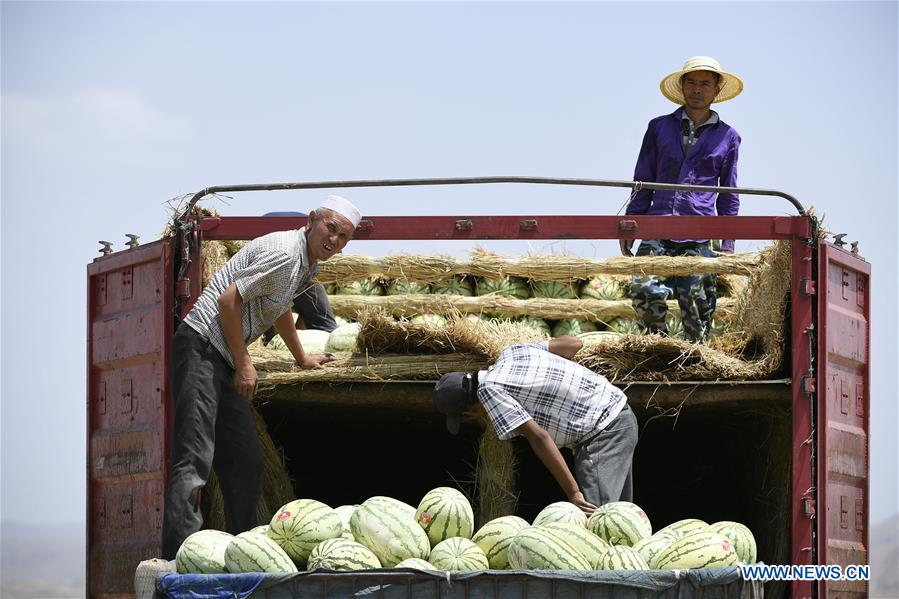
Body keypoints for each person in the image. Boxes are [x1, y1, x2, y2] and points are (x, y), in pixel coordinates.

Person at [161, 195, 362, 558]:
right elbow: (228, 301)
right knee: (193, 461)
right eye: (330, 228)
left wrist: (302, 357)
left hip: (222, 357)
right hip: (201, 348)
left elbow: (277, 305)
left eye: (343, 236)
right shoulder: (285, 253)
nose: (333, 239)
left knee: (246, 461)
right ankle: (177, 563)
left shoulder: (305, 264)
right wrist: (245, 362)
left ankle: (242, 552)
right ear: (312, 220)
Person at [433, 336, 636, 515]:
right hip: (620, 414)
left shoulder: (488, 391)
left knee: (599, 519)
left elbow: (539, 437)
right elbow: (574, 344)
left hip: (602, 434)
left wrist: (573, 492)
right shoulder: (512, 352)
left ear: (469, 412)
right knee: (620, 517)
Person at [620, 56, 744, 342]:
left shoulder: (728, 137)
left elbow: (729, 193)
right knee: (644, 290)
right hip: (658, 225)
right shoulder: (659, 128)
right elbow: (642, 180)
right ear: (682, 86)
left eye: (705, 84)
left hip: (701, 232)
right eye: (691, 83)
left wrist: (728, 243)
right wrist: (631, 224)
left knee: (698, 309)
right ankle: (658, 346)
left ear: (716, 90)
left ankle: (695, 357)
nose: (697, 89)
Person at [259, 211, 337, 344]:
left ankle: (268, 342)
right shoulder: (323, 250)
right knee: (325, 324)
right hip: (278, 246)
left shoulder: (318, 232)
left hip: (263, 237)